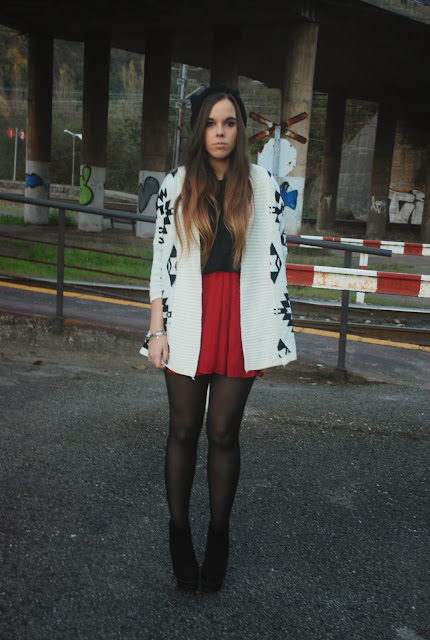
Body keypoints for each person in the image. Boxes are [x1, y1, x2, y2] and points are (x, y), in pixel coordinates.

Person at [140, 84, 296, 593]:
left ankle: (219, 535)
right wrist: (157, 330)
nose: (220, 132)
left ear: (240, 129)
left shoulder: (262, 185)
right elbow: (160, 260)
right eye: (211, 123)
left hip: (241, 316)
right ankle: (179, 531)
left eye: (229, 123)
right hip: (188, 313)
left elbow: (276, 262)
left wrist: (271, 330)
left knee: (224, 432)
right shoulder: (178, 184)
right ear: (199, 129)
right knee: (184, 428)